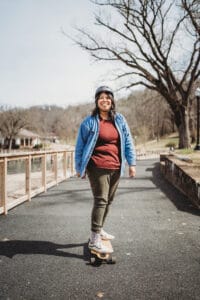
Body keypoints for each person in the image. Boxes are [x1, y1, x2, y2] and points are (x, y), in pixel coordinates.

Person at [75, 86, 136, 253]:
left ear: (112, 101)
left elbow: (128, 142)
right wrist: (79, 167)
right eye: (101, 97)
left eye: (107, 97)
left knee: (109, 200)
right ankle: (95, 239)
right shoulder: (89, 122)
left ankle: (99, 229)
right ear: (96, 101)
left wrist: (132, 163)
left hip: (116, 166)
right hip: (97, 167)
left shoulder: (120, 120)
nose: (105, 100)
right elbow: (80, 146)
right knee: (101, 200)